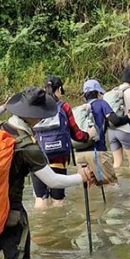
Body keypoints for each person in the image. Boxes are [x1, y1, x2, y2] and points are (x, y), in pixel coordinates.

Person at [0, 88, 99, 259]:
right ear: (33, 115)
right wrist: (81, 177)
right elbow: (53, 181)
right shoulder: (27, 147)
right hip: (11, 212)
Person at [32, 76, 91, 209]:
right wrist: (89, 135)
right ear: (59, 89)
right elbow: (77, 135)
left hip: (37, 158)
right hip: (58, 158)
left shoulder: (35, 108)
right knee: (58, 201)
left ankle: (41, 222)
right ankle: (58, 221)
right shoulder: (64, 107)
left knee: (40, 200)